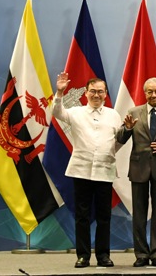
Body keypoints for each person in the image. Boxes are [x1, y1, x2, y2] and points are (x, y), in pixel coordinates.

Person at [52, 73, 121, 268]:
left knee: (104, 216)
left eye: (100, 91)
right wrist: (60, 91)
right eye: (93, 91)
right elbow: (57, 113)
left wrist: (109, 154)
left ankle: (103, 256)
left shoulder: (113, 114)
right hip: (81, 171)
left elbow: (118, 141)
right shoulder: (75, 112)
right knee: (82, 216)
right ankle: (82, 256)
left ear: (106, 94)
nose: (96, 95)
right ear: (86, 93)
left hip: (104, 171)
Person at [115, 78, 156, 267]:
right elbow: (120, 138)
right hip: (138, 168)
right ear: (144, 93)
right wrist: (126, 128)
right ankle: (141, 254)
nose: (154, 95)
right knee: (139, 213)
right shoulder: (133, 112)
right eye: (150, 91)